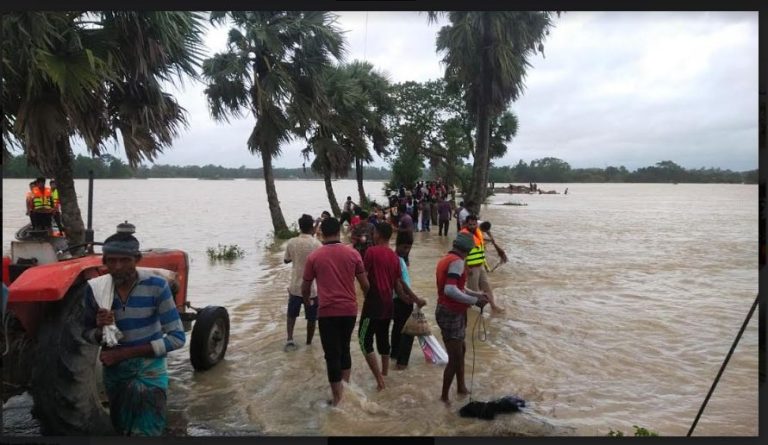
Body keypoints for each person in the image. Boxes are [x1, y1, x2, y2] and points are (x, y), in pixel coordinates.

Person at [82, 232, 185, 435]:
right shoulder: (96, 290)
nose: (118, 266)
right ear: (104, 262)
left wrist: (124, 354)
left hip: (150, 372)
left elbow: (177, 338)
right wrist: (99, 328)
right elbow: (86, 334)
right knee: (122, 428)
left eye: (125, 260)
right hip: (116, 373)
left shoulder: (157, 286)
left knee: (149, 429)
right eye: (112, 261)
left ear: (137, 260)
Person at [302, 217, 370, 406]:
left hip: (327, 312)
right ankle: (345, 390)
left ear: (321, 233)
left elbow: (305, 287)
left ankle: (337, 397)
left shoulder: (315, 257)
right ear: (339, 232)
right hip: (349, 310)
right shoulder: (353, 254)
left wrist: (308, 304)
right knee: (345, 349)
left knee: (331, 354)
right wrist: (369, 304)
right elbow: (365, 285)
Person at [435, 232, 489, 404]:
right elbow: (450, 290)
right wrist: (475, 301)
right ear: (467, 250)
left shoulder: (448, 259)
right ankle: (444, 397)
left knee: (461, 350)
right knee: (455, 357)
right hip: (451, 312)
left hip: (447, 310)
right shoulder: (458, 262)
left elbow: (459, 287)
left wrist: (477, 294)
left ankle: (461, 387)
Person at [356, 222, 407, 390]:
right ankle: (385, 373)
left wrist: (365, 293)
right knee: (383, 338)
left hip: (373, 303)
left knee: (363, 340)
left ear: (378, 234)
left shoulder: (371, 251)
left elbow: (364, 276)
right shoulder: (394, 257)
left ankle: (380, 381)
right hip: (388, 304)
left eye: (374, 232)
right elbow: (398, 285)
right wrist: (407, 300)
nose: (373, 235)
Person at [283, 214, 322, 351]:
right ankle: (309, 343)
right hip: (311, 289)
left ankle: (289, 339)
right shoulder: (317, 244)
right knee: (311, 318)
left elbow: (286, 260)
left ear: (299, 227)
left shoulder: (292, 242)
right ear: (312, 226)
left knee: (291, 314)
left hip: (295, 286)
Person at [390, 230, 427, 370]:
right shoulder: (397, 260)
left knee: (398, 329)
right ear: (397, 244)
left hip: (398, 299)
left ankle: (394, 356)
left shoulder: (398, 259)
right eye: (404, 247)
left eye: (409, 247)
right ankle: (402, 364)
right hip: (402, 300)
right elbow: (400, 282)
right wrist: (415, 299)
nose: (407, 250)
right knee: (408, 332)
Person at [461, 215, 504, 312]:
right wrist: (467, 268)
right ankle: (468, 311)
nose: (472, 226)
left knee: (487, 287)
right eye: (470, 224)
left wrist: (485, 265)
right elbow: (462, 254)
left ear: (477, 224)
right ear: (466, 225)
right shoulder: (464, 235)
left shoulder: (478, 233)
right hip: (472, 268)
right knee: (472, 291)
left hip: (480, 266)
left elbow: (480, 249)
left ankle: (493, 306)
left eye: (474, 224)